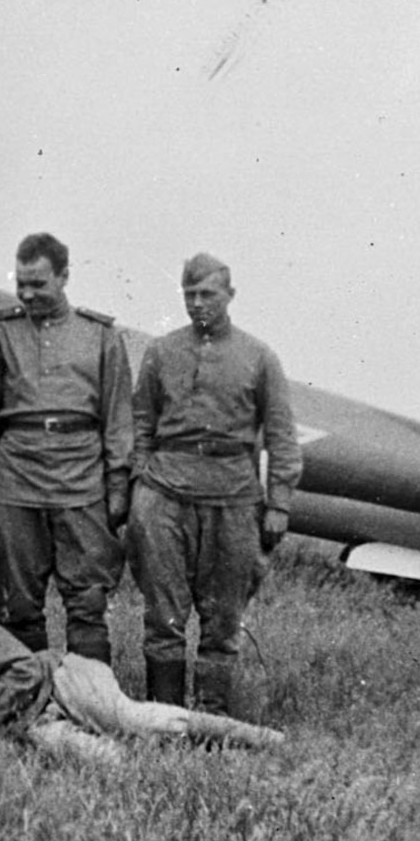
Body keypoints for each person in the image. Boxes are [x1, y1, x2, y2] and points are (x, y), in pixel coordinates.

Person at [0, 554, 280, 764]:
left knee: (133, 718)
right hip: (26, 724)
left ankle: (259, 740)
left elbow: (23, 667)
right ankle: (202, 761)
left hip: (59, 678)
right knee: (105, 761)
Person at [129, 253, 304, 712]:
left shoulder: (259, 357)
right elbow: (141, 423)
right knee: (163, 615)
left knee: (223, 618)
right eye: (189, 295)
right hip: (165, 494)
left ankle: (210, 719)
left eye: (208, 294)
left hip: (233, 500)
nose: (198, 304)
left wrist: (280, 502)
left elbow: (283, 435)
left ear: (230, 295)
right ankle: (164, 716)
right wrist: (140, 485)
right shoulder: (161, 352)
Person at [0, 232, 134, 663]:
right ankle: (31, 699)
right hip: (17, 475)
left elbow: (118, 417)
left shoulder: (101, 338)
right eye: (21, 283)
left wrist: (118, 485)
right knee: (19, 600)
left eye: (38, 283)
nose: (27, 293)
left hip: (82, 477)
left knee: (88, 600)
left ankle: (93, 700)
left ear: (64, 277)